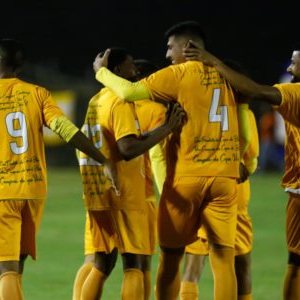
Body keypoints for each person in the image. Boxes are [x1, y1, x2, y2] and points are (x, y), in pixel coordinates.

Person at [0, 38, 118, 300]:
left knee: (6, 271)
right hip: (33, 192)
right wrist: (103, 159)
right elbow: (67, 131)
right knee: (16, 270)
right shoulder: (38, 94)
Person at [184, 41, 300, 300]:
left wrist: (213, 61)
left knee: (296, 264)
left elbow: (254, 90)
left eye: (294, 63)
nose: (291, 69)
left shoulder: (299, 93)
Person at [93, 21, 247, 300]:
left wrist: (101, 72)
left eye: (170, 47)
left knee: (171, 257)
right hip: (225, 177)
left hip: (187, 178)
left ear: (187, 47)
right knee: (224, 259)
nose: (166, 55)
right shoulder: (229, 75)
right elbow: (246, 118)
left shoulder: (177, 74)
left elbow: (128, 92)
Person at [74, 47, 185, 300]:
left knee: (100, 262)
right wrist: (168, 127)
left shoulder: (96, 100)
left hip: (97, 192)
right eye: (131, 65)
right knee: (135, 264)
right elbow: (128, 148)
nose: (135, 71)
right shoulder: (121, 101)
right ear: (118, 71)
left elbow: (88, 145)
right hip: (127, 192)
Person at [179, 60, 260, 300]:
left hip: (199, 189)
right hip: (234, 195)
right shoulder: (245, 114)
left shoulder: (199, 110)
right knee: (239, 263)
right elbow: (251, 159)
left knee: (193, 265)